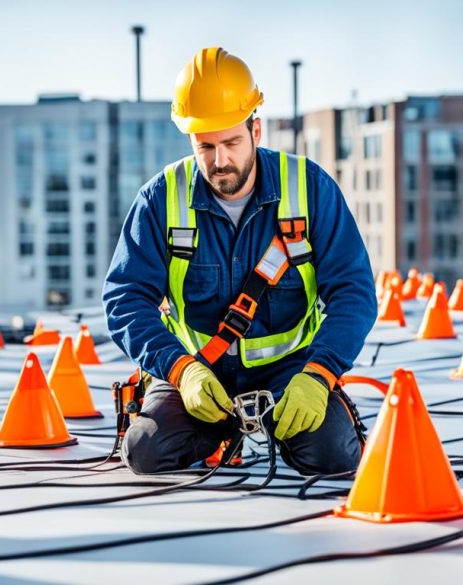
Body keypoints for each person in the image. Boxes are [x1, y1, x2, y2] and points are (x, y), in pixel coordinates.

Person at [102, 47, 376, 476]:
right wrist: (181, 370)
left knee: (333, 455)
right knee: (146, 453)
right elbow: (124, 298)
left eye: (231, 142)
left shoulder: (310, 189)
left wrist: (319, 374)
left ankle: (283, 426)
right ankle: (222, 434)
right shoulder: (160, 199)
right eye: (205, 146)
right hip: (199, 371)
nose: (220, 160)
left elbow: (354, 293)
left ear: (257, 129)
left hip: (290, 373)